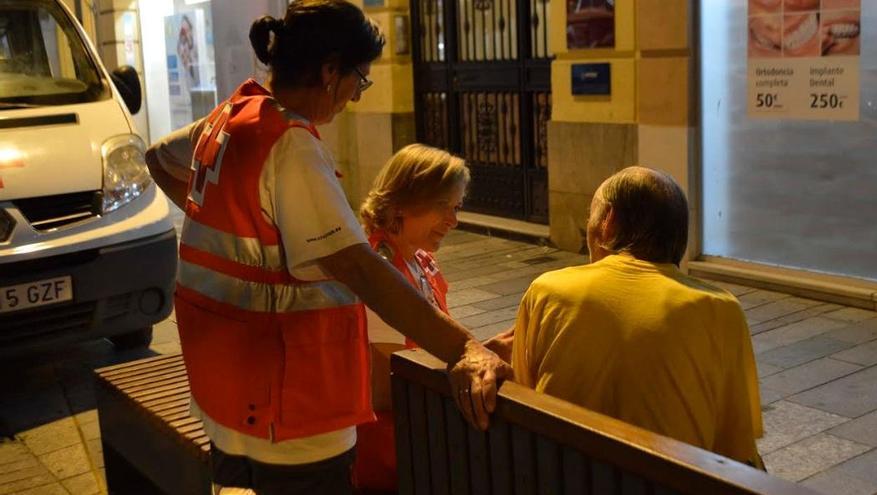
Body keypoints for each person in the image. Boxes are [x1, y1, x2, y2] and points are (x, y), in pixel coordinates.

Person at [144, 2, 509, 493]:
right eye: (360, 78)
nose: (356, 97)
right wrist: (464, 347)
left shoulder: (230, 117)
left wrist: (224, 218)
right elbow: (359, 267)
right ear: (330, 70)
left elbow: (158, 157)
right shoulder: (290, 144)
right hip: (292, 406)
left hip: (226, 392)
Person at [487, 166, 765, 468]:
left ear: (608, 222)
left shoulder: (548, 291)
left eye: (590, 216)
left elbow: (529, 402)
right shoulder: (721, 308)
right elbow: (735, 445)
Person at [353, 144, 468, 491]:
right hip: (392, 446)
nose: (453, 220)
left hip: (418, 427)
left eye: (456, 207)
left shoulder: (417, 258)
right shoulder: (380, 271)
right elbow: (390, 383)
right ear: (403, 201)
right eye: (442, 206)